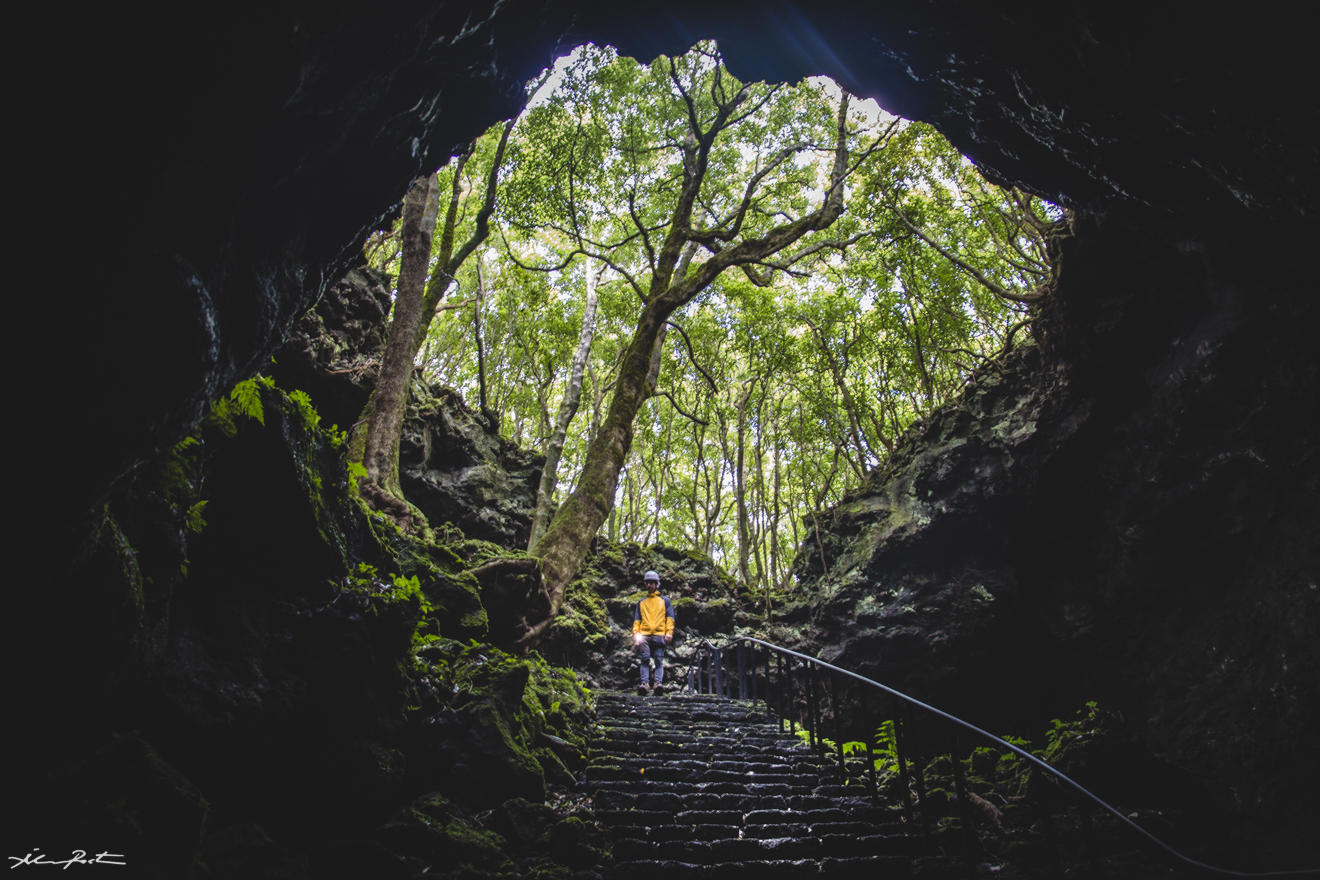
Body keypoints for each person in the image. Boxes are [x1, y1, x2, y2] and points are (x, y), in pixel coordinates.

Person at [632, 570, 675, 695]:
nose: (650, 585)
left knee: (658, 660)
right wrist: (636, 633)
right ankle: (645, 684)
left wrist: (669, 633)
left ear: (657, 584)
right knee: (645, 659)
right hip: (644, 635)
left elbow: (670, 618)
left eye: (652, 583)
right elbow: (637, 620)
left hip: (659, 635)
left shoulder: (665, 601)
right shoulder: (641, 602)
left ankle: (658, 684)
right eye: (648, 583)